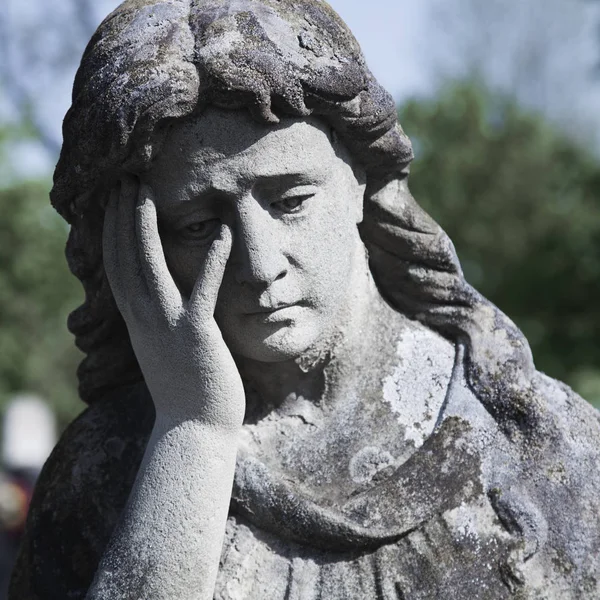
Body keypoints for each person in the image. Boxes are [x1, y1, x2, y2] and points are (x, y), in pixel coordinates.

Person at [10, 1, 600, 598]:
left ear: (359, 180)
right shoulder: (101, 474)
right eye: (197, 225)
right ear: (131, 245)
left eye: (290, 200)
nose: (260, 266)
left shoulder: (542, 447)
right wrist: (194, 434)